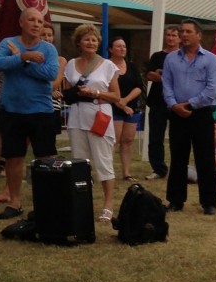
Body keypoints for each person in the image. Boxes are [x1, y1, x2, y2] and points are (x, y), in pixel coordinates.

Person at [0, 8, 59, 219]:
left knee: (45, 159)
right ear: (21, 22)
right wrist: (23, 56)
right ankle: (14, 202)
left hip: (41, 111)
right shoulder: (8, 43)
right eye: (31, 20)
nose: (36, 24)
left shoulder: (48, 49)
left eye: (40, 21)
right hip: (12, 111)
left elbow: (49, 74)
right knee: (14, 158)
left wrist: (23, 62)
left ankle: (46, 203)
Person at [161, 19, 216, 215]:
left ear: (199, 35)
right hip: (177, 114)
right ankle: (175, 200)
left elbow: (213, 89)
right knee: (178, 158)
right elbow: (166, 85)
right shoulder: (171, 59)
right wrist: (173, 105)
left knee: (204, 158)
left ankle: (209, 202)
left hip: (201, 114)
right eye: (182, 31)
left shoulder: (211, 59)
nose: (184, 35)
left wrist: (189, 104)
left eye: (188, 31)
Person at [62, 24, 122, 221]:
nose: (91, 42)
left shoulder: (107, 66)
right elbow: (70, 92)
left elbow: (115, 96)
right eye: (87, 39)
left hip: (99, 113)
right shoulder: (71, 64)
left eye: (94, 39)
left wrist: (96, 92)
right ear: (79, 42)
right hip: (76, 116)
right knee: (79, 161)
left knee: (103, 160)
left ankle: (108, 205)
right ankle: (82, 202)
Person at [144, 25, 180, 180]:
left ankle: (179, 167)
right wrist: (162, 75)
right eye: (168, 35)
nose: (170, 38)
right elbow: (149, 75)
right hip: (158, 101)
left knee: (177, 137)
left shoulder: (183, 56)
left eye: (173, 35)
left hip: (177, 102)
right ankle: (158, 168)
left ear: (179, 38)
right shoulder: (157, 56)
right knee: (155, 137)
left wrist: (162, 74)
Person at [108, 36, 144, 183]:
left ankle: (126, 172)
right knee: (114, 140)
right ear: (110, 49)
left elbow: (139, 87)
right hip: (113, 108)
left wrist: (126, 101)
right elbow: (105, 88)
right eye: (118, 46)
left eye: (124, 46)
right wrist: (120, 104)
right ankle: (108, 172)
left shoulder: (132, 66)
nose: (122, 49)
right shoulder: (106, 65)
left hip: (131, 108)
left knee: (128, 140)